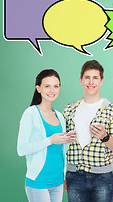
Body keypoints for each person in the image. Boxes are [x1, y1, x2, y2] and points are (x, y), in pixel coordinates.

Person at [63, 60, 113, 202]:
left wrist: (105, 137)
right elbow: (62, 145)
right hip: (74, 176)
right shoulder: (69, 110)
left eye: (95, 78)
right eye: (87, 77)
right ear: (81, 80)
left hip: (102, 178)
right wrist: (63, 173)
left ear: (101, 81)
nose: (91, 82)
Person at [17, 69, 76, 202]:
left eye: (55, 86)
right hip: (39, 181)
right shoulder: (30, 113)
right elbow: (21, 149)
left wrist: (67, 139)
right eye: (47, 86)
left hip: (58, 181)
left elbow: (61, 150)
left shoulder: (60, 116)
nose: (52, 90)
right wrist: (50, 140)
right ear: (38, 88)